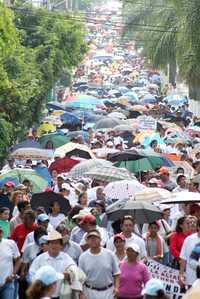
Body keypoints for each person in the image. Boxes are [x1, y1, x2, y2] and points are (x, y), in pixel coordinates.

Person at [29, 230, 75, 298]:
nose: (54, 245)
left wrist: (69, 274)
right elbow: (32, 273)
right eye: (52, 243)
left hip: (61, 296)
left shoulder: (66, 258)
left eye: (57, 243)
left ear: (61, 246)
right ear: (48, 244)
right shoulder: (40, 259)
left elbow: (74, 269)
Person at [79, 229, 120, 299]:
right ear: (87, 241)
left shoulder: (110, 254)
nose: (93, 240)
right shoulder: (83, 257)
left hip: (109, 292)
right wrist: (82, 293)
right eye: (90, 238)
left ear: (100, 239)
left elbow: (116, 274)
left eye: (95, 238)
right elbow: (80, 278)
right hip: (90, 292)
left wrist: (116, 288)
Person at [0, 225, 21, 299]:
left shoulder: (10, 243)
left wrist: (13, 275)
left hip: (8, 283)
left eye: (0, 231)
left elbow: (18, 259)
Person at [179, 219, 200, 288]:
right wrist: (181, 275)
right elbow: (183, 258)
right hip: (191, 280)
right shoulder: (189, 239)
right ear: (198, 227)